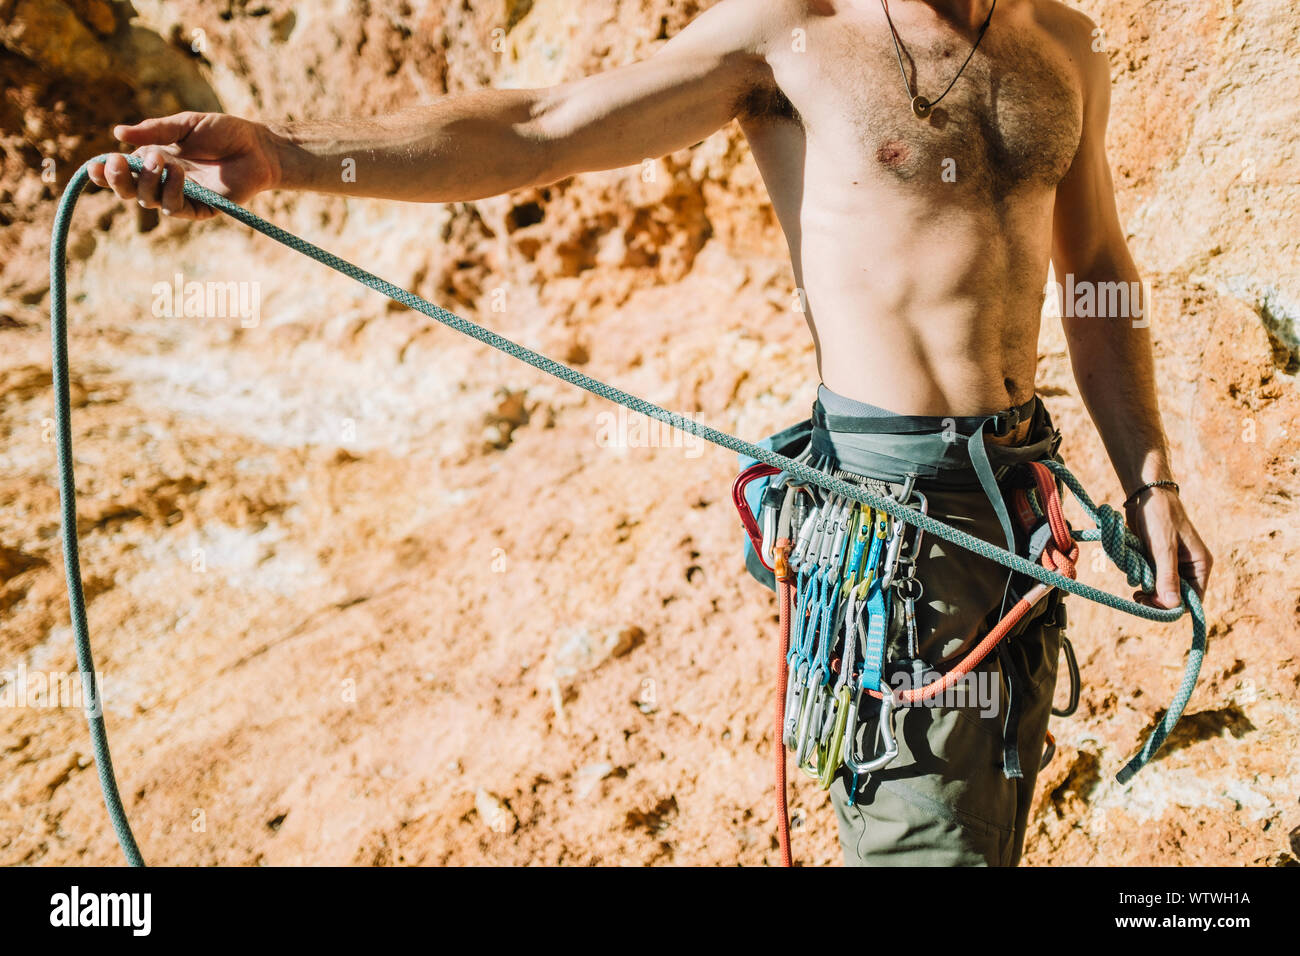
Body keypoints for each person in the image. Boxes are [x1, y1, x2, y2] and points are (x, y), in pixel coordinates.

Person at [88, 0, 1212, 866]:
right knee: (928, 846)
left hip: (1019, 507)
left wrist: (1149, 478)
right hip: (893, 532)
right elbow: (540, 128)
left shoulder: (1060, 44)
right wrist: (285, 153)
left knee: (991, 808)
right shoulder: (793, 34)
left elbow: (1096, 267)